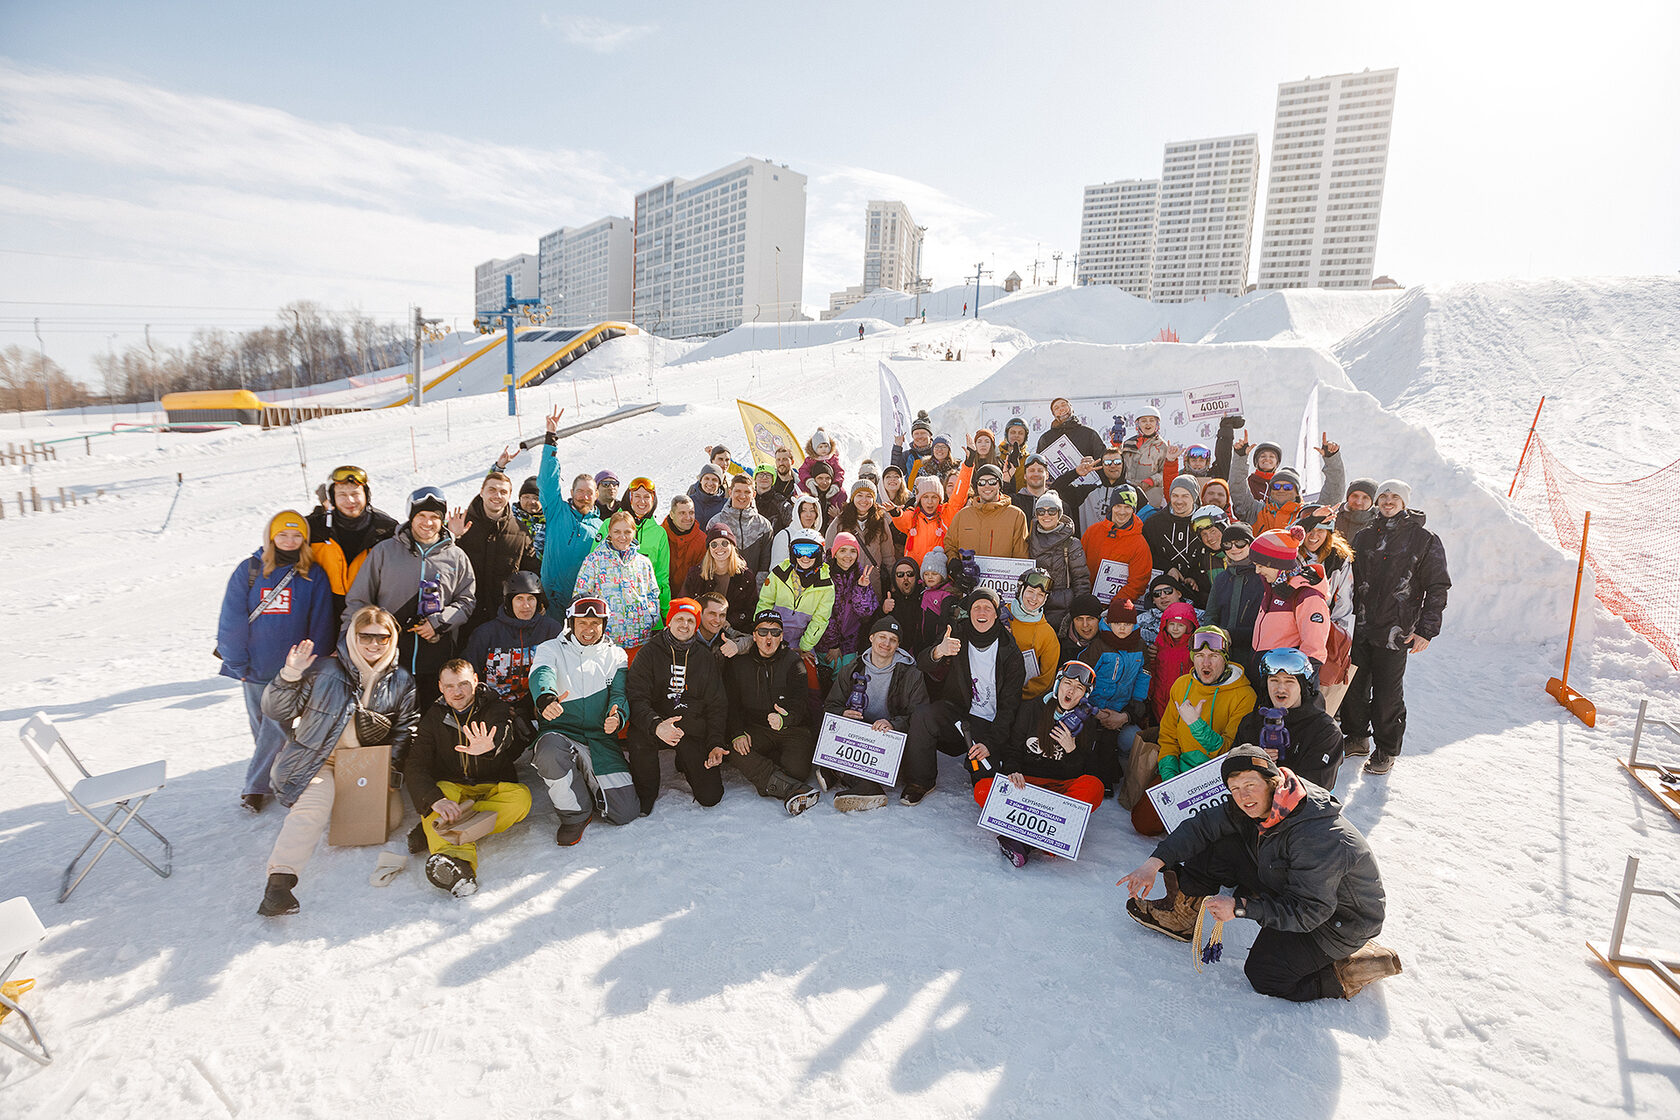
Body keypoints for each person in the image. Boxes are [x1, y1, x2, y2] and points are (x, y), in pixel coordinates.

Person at [1121, 746, 1399, 1002]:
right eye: (1235, 789)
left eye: (1250, 785)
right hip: (1293, 886)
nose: (1243, 797)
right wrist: (1154, 863)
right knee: (1218, 843)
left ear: (1272, 781)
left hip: (1337, 921)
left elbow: (1309, 912)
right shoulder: (1267, 803)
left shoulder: (1317, 837)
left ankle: (1348, 969)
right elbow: (1202, 826)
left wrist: (1241, 907)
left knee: (1266, 974)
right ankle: (1181, 915)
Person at [257, 608, 418, 916]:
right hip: (320, 759)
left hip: (363, 763)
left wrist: (391, 771)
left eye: (382, 637)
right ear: (353, 637)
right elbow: (276, 711)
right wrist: (289, 675)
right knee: (313, 807)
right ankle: (279, 882)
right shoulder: (325, 669)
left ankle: (343, 801)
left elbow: (406, 728)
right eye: (365, 636)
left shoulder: (400, 681)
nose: (374, 645)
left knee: (390, 819)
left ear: (392, 639)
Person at [218, 510, 337, 812]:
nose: (289, 540)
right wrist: (236, 663)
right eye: (283, 534)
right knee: (263, 729)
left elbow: (321, 621)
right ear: (271, 537)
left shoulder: (312, 574)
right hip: (254, 667)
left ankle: (255, 788)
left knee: (275, 727)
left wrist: (314, 661)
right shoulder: (250, 570)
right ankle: (277, 775)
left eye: (297, 535)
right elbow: (232, 619)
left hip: (294, 669)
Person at [1342, 480, 1451, 775]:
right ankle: (1356, 737)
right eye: (1384, 496)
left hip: (1396, 631)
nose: (1388, 501)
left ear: (1404, 502)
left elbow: (1437, 586)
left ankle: (1386, 749)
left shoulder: (1423, 539)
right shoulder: (1364, 536)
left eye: (1395, 497)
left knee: (1387, 694)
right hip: (1361, 626)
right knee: (1354, 685)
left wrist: (1426, 630)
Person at [405, 660, 532, 896]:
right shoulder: (433, 717)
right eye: (450, 686)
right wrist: (434, 799)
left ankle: (436, 828)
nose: (458, 692)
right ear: (441, 687)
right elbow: (415, 765)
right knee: (438, 797)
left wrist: (489, 747)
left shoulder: (495, 706)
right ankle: (459, 867)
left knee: (521, 798)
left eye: (464, 684)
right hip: (454, 787)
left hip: (492, 784)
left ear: (475, 681)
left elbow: (504, 732)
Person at [344, 486, 477, 709]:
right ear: (411, 517)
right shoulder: (385, 551)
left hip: (436, 659)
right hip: (389, 657)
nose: (428, 523)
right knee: (390, 722)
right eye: (421, 516)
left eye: (435, 517)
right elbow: (359, 600)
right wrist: (350, 644)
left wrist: (438, 623)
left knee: (430, 724)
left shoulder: (456, 557)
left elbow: (467, 600)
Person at [1124, 624, 1257, 831]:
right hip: (1180, 770)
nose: (1206, 662)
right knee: (1143, 823)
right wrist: (1170, 777)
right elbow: (1167, 736)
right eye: (1200, 655)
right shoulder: (1182, 684)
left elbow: (1231, 751)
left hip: (1216, 780)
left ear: (1225, 658)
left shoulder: (1244, 695)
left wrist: (1196, 725)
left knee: (1211, 836)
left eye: (1213, 655)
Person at [528, 597, 639, 844]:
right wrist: (546, 698)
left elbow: (619, 694)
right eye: (583, 623)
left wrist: (617, 715)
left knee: (625, 813)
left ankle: (585, 776)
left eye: (595, 623)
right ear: (571, 622)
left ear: (604, 624)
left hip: (599, 739)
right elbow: (541, 673)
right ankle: (574, 814)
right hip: (560, 733)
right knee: (549, 752)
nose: (589, 629)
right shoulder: (551, 648)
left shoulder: (615, 654)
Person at [904, 587, 1025, 805]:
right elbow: (922, 663)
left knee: (984, 783)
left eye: (988, 608)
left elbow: (1010, 706)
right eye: (976, 607)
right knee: (924, 715)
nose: (982, 612)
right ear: (969, 612)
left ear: (996, 614)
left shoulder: (1010, 651)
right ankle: (919, 782)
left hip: (990, 725)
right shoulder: (957, 633)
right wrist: (938, 651)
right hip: (960, 714)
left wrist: (991, 743)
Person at [986, 661, 1106, 867]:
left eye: (1079, 688)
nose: (1071, 691)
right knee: (983, 790)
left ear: (1085, 695)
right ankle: (1059, 833)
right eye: (1068, 683)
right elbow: (1013, 749)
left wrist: (1071, 750)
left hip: (1061, 790)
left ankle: (1023, 841)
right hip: (1028, 786)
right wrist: (1013, 771)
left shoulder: (1088, 722)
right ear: (1058, 684)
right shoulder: (1031, 708)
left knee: (1094, 787)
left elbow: (1088, 771)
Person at [624, 599, 729, 814]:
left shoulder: (704, 657)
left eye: (691, 620)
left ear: (696, 625)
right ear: (669, 621)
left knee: (711, 796)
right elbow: (636, 698)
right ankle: (646, 789)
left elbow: (717, 704)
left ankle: (686, 759)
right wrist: (656, 725)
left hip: (690, 727)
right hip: (654, 724)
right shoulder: (649, 653)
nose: (685, 625)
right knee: (639, 741)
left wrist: (715, 743)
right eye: (679, 618)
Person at [824, 615, 931, 812]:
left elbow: (919, 716)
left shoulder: (911, 674)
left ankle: (852, 780)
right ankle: (861, 783)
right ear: (871, 637)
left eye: (893, 639)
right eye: (882, 637)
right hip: (859, 735)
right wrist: (843, 713)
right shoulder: (852, 669)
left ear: (898, 645)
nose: (886, 643)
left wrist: (894, 724)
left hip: (890, 737)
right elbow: (831, 705)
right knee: (830, 739)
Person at [721, 608, 823, 815]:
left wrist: (785, 718)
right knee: (734, 748)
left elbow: (801, 703)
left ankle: (776, 774)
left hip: (791, 728)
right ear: (755, 636)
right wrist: (738, 732)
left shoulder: (793, 662)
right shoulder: (738, 663)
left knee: (798, 771)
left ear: (782, 636)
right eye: (764, 632)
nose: (770, 638)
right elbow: (731, 704)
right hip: (756, 728)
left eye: (775, 633)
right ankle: (788, 787)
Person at [1234, 648, 1345, 791]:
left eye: (1289, 681)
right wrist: (1254, 762)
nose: (1280, 688)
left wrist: (1267, 772)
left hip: (1300, 811)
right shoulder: (1251, 723)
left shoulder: (1325, 732)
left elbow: (1315, 792)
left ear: (1303, 686)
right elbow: (1232, 773)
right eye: (1274, 680)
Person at [460, 570, 564, 720]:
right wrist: (490, 703)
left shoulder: (551, 630)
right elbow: (469, 674)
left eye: (531, 599)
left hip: (536, 704)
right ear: (509, 601)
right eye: (519, 599)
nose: (526, 605)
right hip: (493, 706)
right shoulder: (486, 633)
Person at [450, 469, 538, 640]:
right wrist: (455, 538)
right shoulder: (461, 523)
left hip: (503, 618)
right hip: (465, 616)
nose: (497, 495)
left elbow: (532, 573)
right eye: (492, 490)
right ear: (482, 492)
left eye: (503, 492)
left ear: (509, 495)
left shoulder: (520, 530)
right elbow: (440, 564)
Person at [536, 406, 605, 617]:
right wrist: (550, 441)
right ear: (571, 492)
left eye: (589, 492)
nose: (584, 496)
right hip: (551, 599)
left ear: (596, 496)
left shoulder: (601, 527)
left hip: (583, 605)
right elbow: (547, 481)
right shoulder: (557, 511)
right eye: (580, 491)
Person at [307, 465, 399, 615]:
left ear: (366, 495)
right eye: (342, 494)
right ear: (333, 498)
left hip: (370, 610)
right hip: (324, 610)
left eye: (355, 493)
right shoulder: (315, 528)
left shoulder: (385, 529)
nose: (349, 500)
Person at [1085, 598, 1151, 792]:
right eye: (1117, 624)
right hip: (1094, 708)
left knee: (1111, 742)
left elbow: (1143, 677)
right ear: (1109, 623)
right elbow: (1084, 678)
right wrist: (1091, 710)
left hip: (1121, 709)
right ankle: (1091, 777)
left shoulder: (1139, 646)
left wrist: (1129, 712)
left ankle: (1107, 779)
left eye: (1128, 624)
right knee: (1090, 741)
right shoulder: (1099, 645)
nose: (1122, 628)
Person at [572, 510, 662, 654]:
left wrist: (650, 617)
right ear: (609, 532)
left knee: (637, 676)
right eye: (617, 531)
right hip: (607, 641)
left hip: (639, 639)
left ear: (634, 532)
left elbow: (653, 593)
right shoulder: (594, 560)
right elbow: (581, 596)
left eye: (627, 532)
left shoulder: (643, 562)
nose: (622, 537)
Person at [1296, 505, 1357, 712]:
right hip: (1289, 629)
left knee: (1316, 692)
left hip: (1321, 633)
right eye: (1310, 531)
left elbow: (1344, 603)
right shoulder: (1289, 553)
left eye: (1321, 531)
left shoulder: (1338, 559)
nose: (1314, 536)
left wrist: (1337, 643)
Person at [1249, 527, 1331, 669]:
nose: (1257, 571)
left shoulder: (1307, 596)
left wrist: (1296, 682)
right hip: (1266, 674)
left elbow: (1314, 651)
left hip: (1283, 680)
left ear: (1279, 565)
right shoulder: (1274, 588)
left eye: (1260, 566)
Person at [757, 527, 836, 656]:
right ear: (792, 553)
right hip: (772, 634)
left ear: (819, 554)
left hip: (800, 640)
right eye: (799, 551)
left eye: (811, 552)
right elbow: (765, 603)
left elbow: (820, 620)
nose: (805, 557)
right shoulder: (779, 574)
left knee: (805, 671)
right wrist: (764, 634)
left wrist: (804, 647)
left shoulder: (825, 585)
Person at [816, 532, 879, 675]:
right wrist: (833, 644)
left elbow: (865, 612)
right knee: (828, 678)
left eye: (852, 551)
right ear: (835, 553)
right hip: (825, 642)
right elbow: (822, 613)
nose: (848, 556)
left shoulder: (861, 574)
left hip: (850, 642)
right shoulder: (824, 575)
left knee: (846, 680)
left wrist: (861, 588)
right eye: (842, 550)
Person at [1027, 492, 1092, 631]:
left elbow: (1081, 580)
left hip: (1062, 612)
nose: (1046, 515)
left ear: (1059, 513)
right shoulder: (1027, 539)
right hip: (1032, 606)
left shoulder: (1071, 544)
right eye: (1041, 511)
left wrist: (1078, 612)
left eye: (1052, 511)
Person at [1081, 488, 1153, 607]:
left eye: (1127, 507)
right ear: (1111, 506)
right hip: (1086, 602)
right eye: (1118, 506)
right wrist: (1084, 597)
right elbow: (1078, 567)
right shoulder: (1092, 531)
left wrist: (1115, 605)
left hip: (1115, 608)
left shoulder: (1140, 544)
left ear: (1133, 510)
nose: (1122, 511)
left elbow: (1138, 583)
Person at [1207, 523, 1264, 671]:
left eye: (1240, 543)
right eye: (1227, 544)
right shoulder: (1221, 579)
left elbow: (1268, 623)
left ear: (1250, 544)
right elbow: (1211, 615)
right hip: (1223, 655)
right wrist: (1215, 637)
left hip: (1254, 655)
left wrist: (1233, 635)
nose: (1234, 548)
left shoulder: (1263, 576)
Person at [615, 476, 673, 620]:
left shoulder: (659, 534)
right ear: (630, 498)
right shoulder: (611, 525)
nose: (642, 501)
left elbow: (662, 577)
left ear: (653, 500)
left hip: (646, 611)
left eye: (647, 497)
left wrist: (665, 614)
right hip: (615, 611)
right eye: (637, 496)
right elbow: (594, 564)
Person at [826, 479, 896, 597]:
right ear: (853, 497)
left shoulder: (880, 521)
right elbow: (829, 553)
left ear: (874, 499)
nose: (864, 500)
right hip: (846, 582)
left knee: (872, 612)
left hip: (873, 581)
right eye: (859, 495)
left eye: (869, 496)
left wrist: (894, 581)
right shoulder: (840, 522)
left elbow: (888, 556)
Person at [892, 462, 972, 566]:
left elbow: (959, 494)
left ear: (940, 499)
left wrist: (968, 465)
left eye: (934, 497)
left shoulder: (946, 513)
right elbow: (902, 519)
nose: (930, 501)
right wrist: (895, 513)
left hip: (938, 573)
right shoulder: (913, 515)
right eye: (925, 497)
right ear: (919, 500)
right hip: (914, 571)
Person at [683, 523, 758, 633]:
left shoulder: (746, 577)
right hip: (700, 630)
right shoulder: (695, 574)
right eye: (714, 544)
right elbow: (685, 603)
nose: (719, 548)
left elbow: (751, 609)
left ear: (732, 546)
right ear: (709, 549)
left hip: (733, 630)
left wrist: (730, 621)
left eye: (724, 543)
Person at [1142, 477, 1206, 605]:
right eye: (1175, 495)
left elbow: (1207, 557)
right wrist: (1168, 568)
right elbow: (1145, 555)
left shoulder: (1204, 522)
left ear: (1194, 497)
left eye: (1185, 496)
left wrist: (1193, 577)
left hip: (1196, 596)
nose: (1179, 501)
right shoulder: (1153, 523)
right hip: (1161, 596)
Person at [946, 463, 1028, 560]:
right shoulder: (962, 515)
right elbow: (950, 546)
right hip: (967, 574)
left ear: (1000, 485)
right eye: (982, 482)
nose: (987, 486)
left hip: (1002, 574)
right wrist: (953, 562)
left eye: (992, 482)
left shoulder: (1016, 515)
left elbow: (1021, 555)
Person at [1008, 568, 1060, 701]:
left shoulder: (1048, 635)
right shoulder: (1000, 614)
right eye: (1030, 591)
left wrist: (1013, 696)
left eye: (1041, 594)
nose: (1034, 598)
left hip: (1018, 699)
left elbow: (1044, 681)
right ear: (1021, 591)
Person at [709, 473, 775, 573]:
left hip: (754, 585)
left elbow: (765, 564)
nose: (742, 496)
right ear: (730, 492)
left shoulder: (764, 525)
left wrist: (757, 586)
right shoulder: (715, 523)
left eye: (747, 492)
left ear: (754, 494)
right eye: (738, 491)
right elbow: (709, 559)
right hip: (723, 584)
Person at [1146, 602, 1199, 724]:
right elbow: (1153, 669)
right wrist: (1150, 691)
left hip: (1184, 699)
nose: (1175, 629)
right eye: (1172, 624)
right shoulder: (1159, 645)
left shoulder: (1194, 648)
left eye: (1180, 625)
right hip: (1159, 697)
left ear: (1189, 627)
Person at [1058, 448, 1131, 535]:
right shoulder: (1087, 493)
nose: (1112, 465)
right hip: (1090, 546)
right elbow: (1057, 489)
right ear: (1101, 466)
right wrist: (1076, 473)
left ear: (1123, 464)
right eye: (1107, 462)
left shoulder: (1134, 492)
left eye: (1117, 462)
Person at [869, 557, 929, 655]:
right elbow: (871, 632)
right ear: (894, 578)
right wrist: (883, 611)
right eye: (900, 575)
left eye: (910, 574)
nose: (905, 578)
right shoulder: (888, 599)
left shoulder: (925, 598)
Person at [1121, 406, 1174, 510]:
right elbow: (1121, 466)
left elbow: (1165, 472)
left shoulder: (1162, 446)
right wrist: (1116, 447)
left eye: (1152, 420)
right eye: (1143, 421)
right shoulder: (1128, 443)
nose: (1148, 424)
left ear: (1157, 424)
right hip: (1128, 492)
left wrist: (1151, 481)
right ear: (1137, 424)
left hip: (1151, 493)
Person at [1035, 396, 1108, 463]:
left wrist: (1094, 463)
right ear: (1054, 415)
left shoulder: (1089, 434)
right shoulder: (1046, 438)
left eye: (1064, 405)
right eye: (1056, 408)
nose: (1061, 409)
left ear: (1071, 408)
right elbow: (1039, 464)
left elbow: (1103, 460)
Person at [663, 494, 708, 599]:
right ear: (672, 514)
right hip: (662, 599)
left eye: (691, 513)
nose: (688, 518)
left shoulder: (702, 540)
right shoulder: (661, 535)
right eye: (682, 513)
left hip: (689, 599)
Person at [770, 492, 824, 570]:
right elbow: (775, 567)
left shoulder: (818, 537)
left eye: (812, 511)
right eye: (804, 510)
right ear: (797, 513)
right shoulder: (784, 535)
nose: (808, 515)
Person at [696, 590, 749, 659]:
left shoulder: (725, 632)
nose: (717, 620)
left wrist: (736, 646)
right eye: (712, 614)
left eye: (722, 615)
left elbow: (752, 640)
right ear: (700, 614)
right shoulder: (688, 633)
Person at [894, 410, 938, 488]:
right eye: (916, 434)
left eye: (923, 433)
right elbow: (894, 473)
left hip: (935, 497)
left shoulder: (938, 453)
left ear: (930, 435)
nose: (920, 436)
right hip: (912, 497)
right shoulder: (907, 455)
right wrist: (897, 447)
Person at [1009, 453, 1055, 519]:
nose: (1036, 474)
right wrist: (1006, 482)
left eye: (1040, 471)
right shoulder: (1014, 502)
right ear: (1025, 475)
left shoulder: (1057, 504)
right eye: (1031, 470)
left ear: (1047, 475)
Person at [798, 428, 844, 493]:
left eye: (826, 446)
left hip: (828, 484)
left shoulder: (833, 459)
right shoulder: (811, 460)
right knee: (801, 486)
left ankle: (833, 502)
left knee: (840, 491)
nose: (824, 449)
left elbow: (839, 472)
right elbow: (803, 470)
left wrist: (836, 484)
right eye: (820, 447)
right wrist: (808, 480)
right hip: (815, 484)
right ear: (814, 448)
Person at [806, 462, 847, 531]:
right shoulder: (808, 493)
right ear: (814, 479)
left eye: (827, 478)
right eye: (820, 478)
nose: (824, 482)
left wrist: (838, 516)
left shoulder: (839, 495)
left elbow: (847, 522)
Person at [1336, 478, 1379, 543]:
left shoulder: (1379, 523)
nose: (1358, 502)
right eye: (1355, 496)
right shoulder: (1334, 519)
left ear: (1373, 501)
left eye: (1365, 498)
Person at [687, 463, 728, 528]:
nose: (710, 483)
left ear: (719, 483)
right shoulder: (690, 502)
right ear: (701, 480)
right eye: (706, 478)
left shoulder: (726, 505)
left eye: (714, 480)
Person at [754, 463, 792, 532]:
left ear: (773, 480)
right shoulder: (748, 499)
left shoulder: (780, 502)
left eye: (768, 475)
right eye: (761, 474)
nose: (764, 477)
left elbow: (791, 526)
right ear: (755, 479)